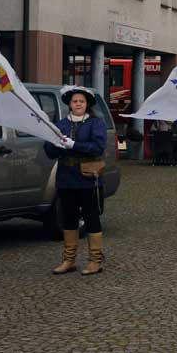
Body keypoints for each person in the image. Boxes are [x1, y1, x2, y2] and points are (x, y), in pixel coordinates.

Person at [45, 86, 109, 276]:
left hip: (88, 179)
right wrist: (56, 145)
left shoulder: (95, 123)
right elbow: (48, 151)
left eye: (81, 101)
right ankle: (69, 260)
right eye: (75, 101)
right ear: (69, 105)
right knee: (69, 218)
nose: (78, 104)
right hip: (66, 178)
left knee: (91, 218)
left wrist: (74, 145)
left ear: (87, 104)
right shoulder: (61, 124)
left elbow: (97, 147)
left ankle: (95, 260)